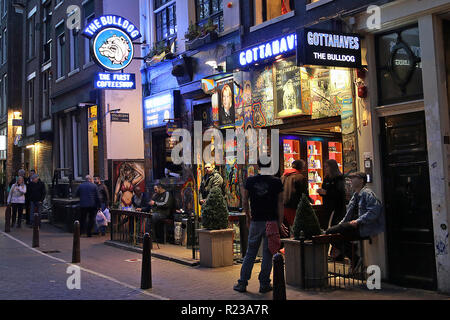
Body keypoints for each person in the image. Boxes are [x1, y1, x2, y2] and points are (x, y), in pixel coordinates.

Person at [233, 160, 284, 294]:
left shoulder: (250, 181)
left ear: (259, 166)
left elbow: (244, 201)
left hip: (256, 221)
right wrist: (280, 222)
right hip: (271, 221)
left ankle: (242, 283)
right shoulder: (276, 182)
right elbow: (280, 203)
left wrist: (248, 218)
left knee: (250, 252)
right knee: (268, 253)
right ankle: (264, 283)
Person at [325, 172, 384, 270]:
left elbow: (374, 211)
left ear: (361, 180)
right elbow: (348, 215)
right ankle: (354, 256)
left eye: (354, 178)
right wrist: (341, 224)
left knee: (329, 232)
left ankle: (354, 257)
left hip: (363, 227)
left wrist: (358, 221)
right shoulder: (355, 195)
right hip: (354, 225)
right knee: (331, 235)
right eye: (350, 178)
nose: (351, 180)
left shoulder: (367, 193)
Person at [317, 159, 346, 227]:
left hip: (336, 207)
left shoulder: (339, 178)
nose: (325, 169)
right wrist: (321, 192)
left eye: (327, 167)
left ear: (332, 167)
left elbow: (339, 193)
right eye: (324, 167)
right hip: (327, 206)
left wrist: (326, 193)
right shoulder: (326, 178)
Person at [281, 159, 308, 227]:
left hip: (283, 207)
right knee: (296, 227)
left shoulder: (283, 176)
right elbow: (304, 194)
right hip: (294, 207)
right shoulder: (300, 177)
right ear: (301, 168)